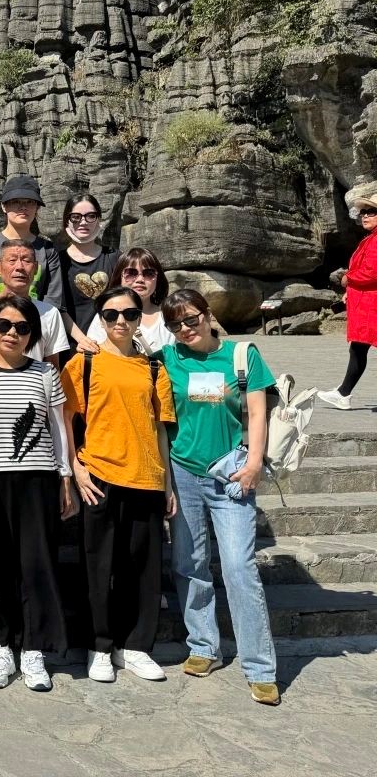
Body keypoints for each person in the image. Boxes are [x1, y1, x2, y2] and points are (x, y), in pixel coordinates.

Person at [157, 289, 280, 706]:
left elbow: (258, 412)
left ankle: (260, 667)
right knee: (188, 563)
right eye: (175, 324)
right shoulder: (166, 358)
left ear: (208, 314)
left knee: (239, 568)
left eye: (191, 319)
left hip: (231, 474)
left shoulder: (242, 356)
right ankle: (204, 645)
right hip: (183, 473)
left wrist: (255, 462)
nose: (185, 329)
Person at [0, 295, 74, 692]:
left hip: (37, 481)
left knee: (37, 565)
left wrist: (65, 476)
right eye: (4, 325)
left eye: (22, 328)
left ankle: (34, 649)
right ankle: (2, 646)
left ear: (32, 334)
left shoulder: (45, 373)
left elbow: (58, 428)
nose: (12, 333)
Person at [62, 287, 176, 685]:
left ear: (139, 317)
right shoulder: (84, 363)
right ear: (101, 319)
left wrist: (167, 483)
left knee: (142, 568)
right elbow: (65, 419)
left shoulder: (154, 368)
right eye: (111, 315)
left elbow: (160, 429)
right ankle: (99, 646)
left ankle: (135, 646)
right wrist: (75, 468)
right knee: (98, 565)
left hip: (145, 477)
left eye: (129, 313)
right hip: (99, 474)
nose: (120, 321)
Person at [319, 191, 377, 409]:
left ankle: (343, 394)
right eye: (363, 212)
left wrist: (348, 279)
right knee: (358, 348)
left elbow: (372, 272)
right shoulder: (371, 239)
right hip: (366, 302)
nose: (365, 215)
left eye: (371, 212)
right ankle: (343, 393)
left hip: (371, 305)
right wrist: (351, 289)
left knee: (359, 348)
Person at [0, 174, 63, 307]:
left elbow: (53, 300)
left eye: (30, 202)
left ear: (37, 208)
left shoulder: (48, 250)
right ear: (3, 206)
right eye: (15, 201)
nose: (23, 207)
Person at [58, 194, 120, 352]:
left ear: (98, 219)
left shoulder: (115, 257)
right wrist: (82, 340)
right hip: (70, 346)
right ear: (66, 220)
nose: (83, 222)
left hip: (110, 345)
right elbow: (58, 307)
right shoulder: (57, 260)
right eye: (75, 217)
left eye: (90, 216)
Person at [85, 248, 175, 354]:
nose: (140, 280)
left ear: (158, 278)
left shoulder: (170, 316)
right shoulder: (107, 314)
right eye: (131, 273)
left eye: (149, 273)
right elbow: (93, 353)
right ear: (119, 277)